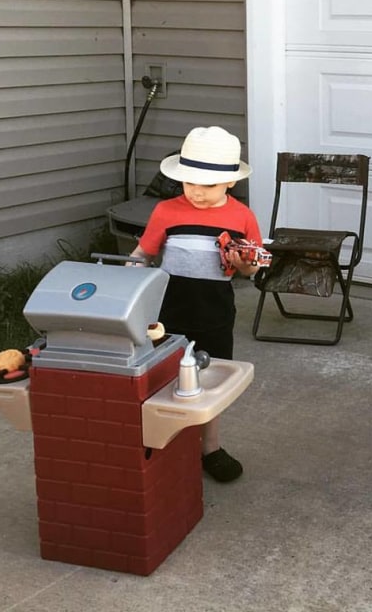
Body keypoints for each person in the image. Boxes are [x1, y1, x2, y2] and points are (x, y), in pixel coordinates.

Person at [128, 126, 262, 481]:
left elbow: (252, 267)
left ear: (230, 182)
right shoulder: (166, 211)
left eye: (208, 185)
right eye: (190, 183)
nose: (197, 192)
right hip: (167, 310)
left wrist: (244, 264)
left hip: (214, 310)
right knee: (163, 378)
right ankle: (167, 444)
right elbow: (144, 252)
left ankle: (210, 448)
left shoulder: (242, 217)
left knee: (209, 380)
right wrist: (129, 271)